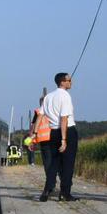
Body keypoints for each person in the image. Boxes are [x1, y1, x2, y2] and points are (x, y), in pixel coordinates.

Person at [39, 72, 77, 202]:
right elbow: (64, 118)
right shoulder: (65, 96)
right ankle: (65, 193)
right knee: (67, 164)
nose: (71, 82)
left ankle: (47, 189)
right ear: (62, 82)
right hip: (66, 131)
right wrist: (64, 139)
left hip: (53, 132)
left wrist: (34, 133)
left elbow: (40, 115)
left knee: (54, 163)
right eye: (69, 80)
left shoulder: (48, 97)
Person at [28, 94, 51, 173]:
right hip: (51, 138)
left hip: (43, 139)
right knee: (51, 159)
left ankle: (50, 178)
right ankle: (52, 176)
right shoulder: (54, 110)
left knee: (47, 160)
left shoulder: (38, 112)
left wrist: (31, 141)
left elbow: (33, 127)